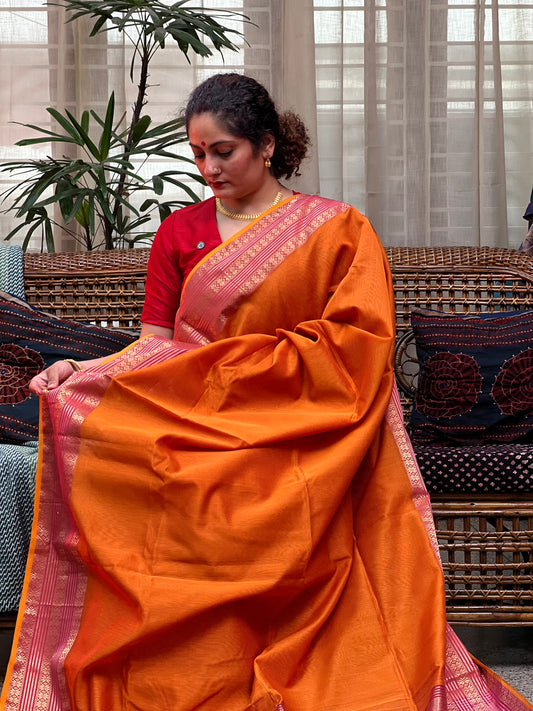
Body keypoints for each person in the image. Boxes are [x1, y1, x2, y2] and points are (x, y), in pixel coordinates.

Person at [2, 73, 531, 711]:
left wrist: (239, 371)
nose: (208, 168)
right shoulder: (179, 234)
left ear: (267, 146)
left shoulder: (337, 230)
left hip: (307, 426)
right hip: (204, 416)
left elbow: (356, 347)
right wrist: (82, 375)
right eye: (198, 154)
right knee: (110, 443)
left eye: (222, 151)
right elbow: (155, 347)